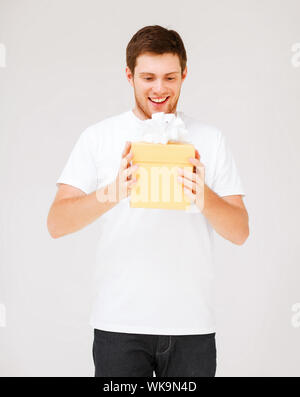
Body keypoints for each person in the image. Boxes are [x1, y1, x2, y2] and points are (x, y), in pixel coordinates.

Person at [47, 25, 249, 377]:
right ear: (129, 75)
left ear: (184, 75)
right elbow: (57, 223)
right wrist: (113, 192)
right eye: (148, 77)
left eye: (170, 77)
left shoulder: (210, 139)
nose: (159, 89)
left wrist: (202, 194)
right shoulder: (98, 137)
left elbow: (240, 231)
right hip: (119, 326)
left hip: (192, 327)